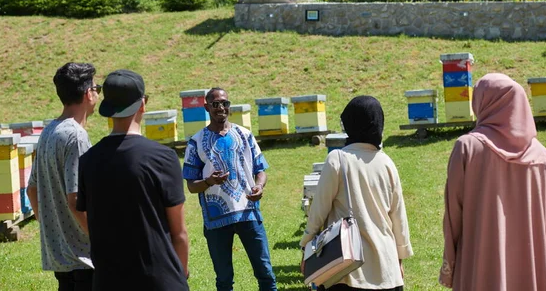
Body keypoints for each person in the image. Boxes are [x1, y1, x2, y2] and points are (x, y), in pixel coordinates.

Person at [76, 69, 189, 290]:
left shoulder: (88, 161)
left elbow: (87, 218)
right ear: (142, 105)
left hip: (108, 281)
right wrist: (182, 273)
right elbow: (179, 233)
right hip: (160, 279)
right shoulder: (163, 157)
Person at [439, 73, 546, 290]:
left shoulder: (467, 148)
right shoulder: (541, 156)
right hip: (527, 268)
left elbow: (453, 216)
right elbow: (543, 223)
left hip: (478, 265)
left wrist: (450, 266)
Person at [300, 96, 413, 291]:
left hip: (348, 267)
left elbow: (319, 209)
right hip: (388, 269)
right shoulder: (387, 163)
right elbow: (398, 217)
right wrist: (400, 258)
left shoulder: (337, 159)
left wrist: (307, 245)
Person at [182, 87, 277, 291]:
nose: (221, 108)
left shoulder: (245, 135)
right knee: (224, 280)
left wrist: (259, 185)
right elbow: (191, 186)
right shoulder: (195, 142)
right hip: (216, 220)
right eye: (216, 104)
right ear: (206, 107)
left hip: (248, 213)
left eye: (225, 103)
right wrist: (209, 182)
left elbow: (261, 169)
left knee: (265, 273)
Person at [28, 62, 100, 290]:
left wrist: (54, 228)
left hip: (59, 257)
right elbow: (76, 198)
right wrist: (101, 240)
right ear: (88, 93)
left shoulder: (49, 131)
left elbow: (32, 189)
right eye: (97, 88)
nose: (98, 93)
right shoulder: (76, 136)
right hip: (83, 259)